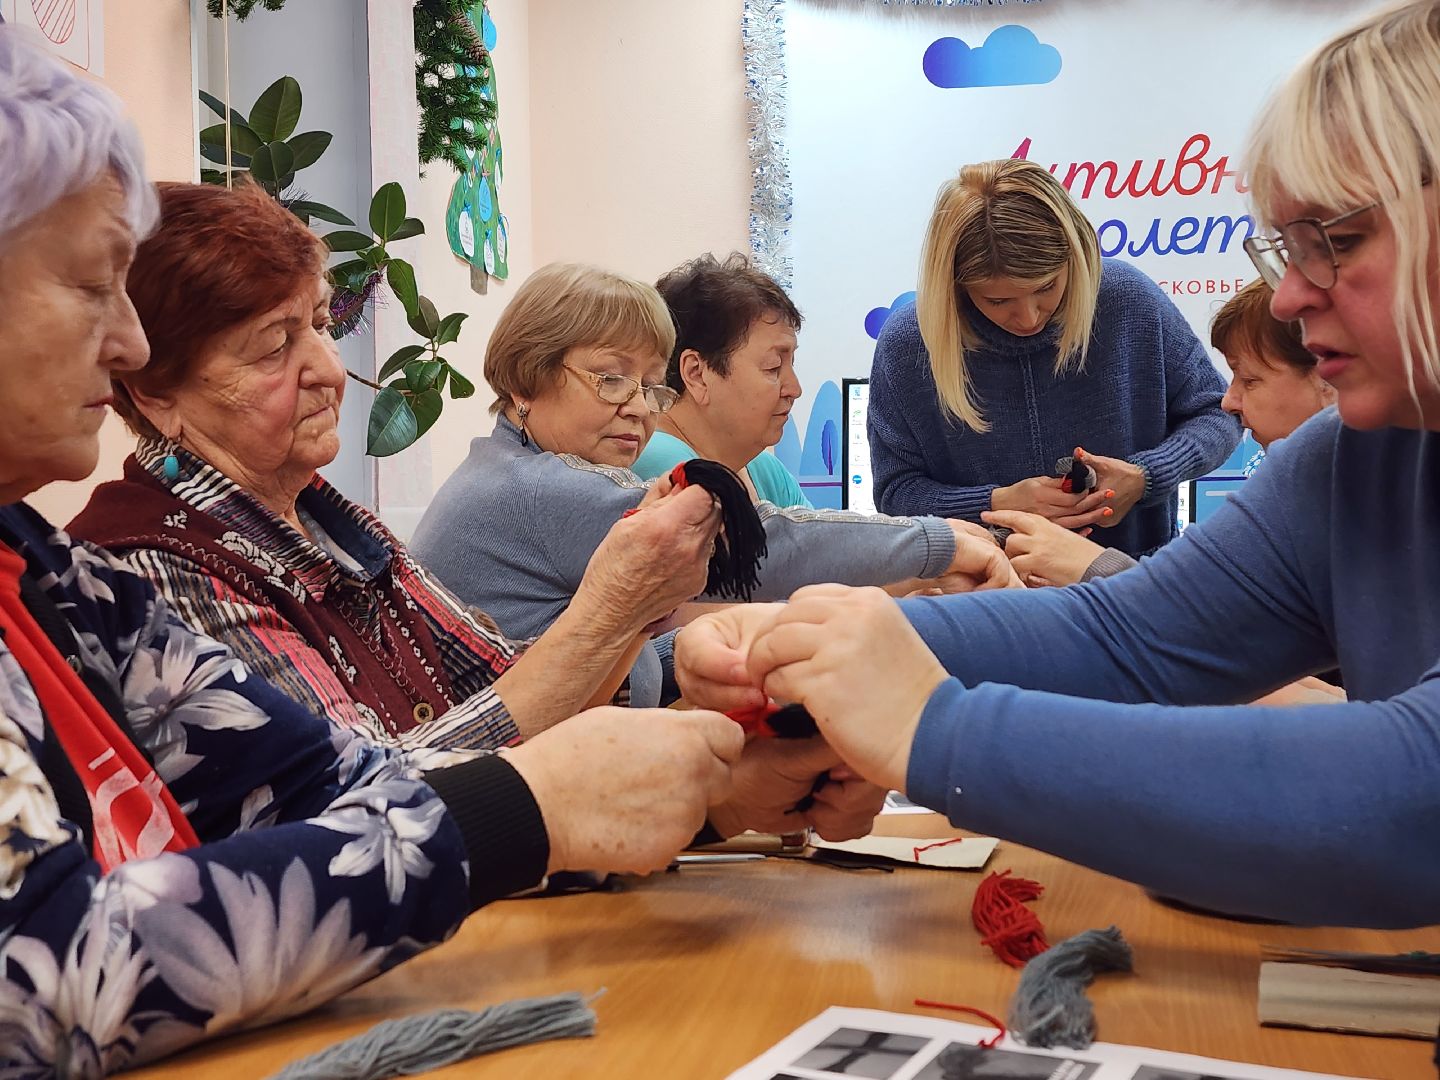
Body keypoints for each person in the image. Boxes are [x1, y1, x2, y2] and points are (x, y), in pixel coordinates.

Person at [0, 27, 878, 1072]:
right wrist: (562, 755)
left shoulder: (56, 575)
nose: (128, 338)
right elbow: (45, 973)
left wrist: (709, 790)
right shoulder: (143, 555)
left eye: (318, 327)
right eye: (92, 285)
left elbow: (346, 784)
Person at [673, 0, 1440, 930]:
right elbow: (1131, 641)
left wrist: (929, 726)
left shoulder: (1173, 334)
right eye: (1288, 247)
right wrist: (807, 647)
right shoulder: (1354, 463)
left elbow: (1408, 798)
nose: (1287, 295)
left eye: (1340, 242)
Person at [68, 180, 717, 749]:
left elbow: (498, 676)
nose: (328, 370)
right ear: (153, 390)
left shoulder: (328, 521)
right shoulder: (155, 569)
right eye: (273, 346)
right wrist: (616, 604)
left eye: (321, 325)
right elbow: (369, 794)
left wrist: (675, 645)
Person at [410, 264, 1016, 706]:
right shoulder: (537, 490)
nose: (639, 409)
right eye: (612, 380)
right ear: (524, 379)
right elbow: (765, 542)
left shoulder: (511, 468)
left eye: (650, 386)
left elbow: (631, 665)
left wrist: (748, 642)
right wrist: (942, 543)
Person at [868, 158, 1241, 559]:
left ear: (1074, 256)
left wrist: (1147, 475)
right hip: (978, 599)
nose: (1028, 317)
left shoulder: (1128, 300)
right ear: (956, 287)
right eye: (997, 300)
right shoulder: (910, 343)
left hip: (1128, 592)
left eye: (1046, 287)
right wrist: (994, 504)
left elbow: (1218, 413)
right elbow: (895, 492)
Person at [987, 279, 1336, 588]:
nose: (1228, 402)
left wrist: (1092, 565)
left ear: (1330, 380)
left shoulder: (1355, 514)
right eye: (999, 300)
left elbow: (1228, 622)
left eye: (1249, 379)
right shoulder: (1292, 495)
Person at [632, 252, 810, 508]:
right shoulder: (663, 467)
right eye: (773, 368)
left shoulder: (762, 467)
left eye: (791, 365)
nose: (795, 389)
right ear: (697, 374)